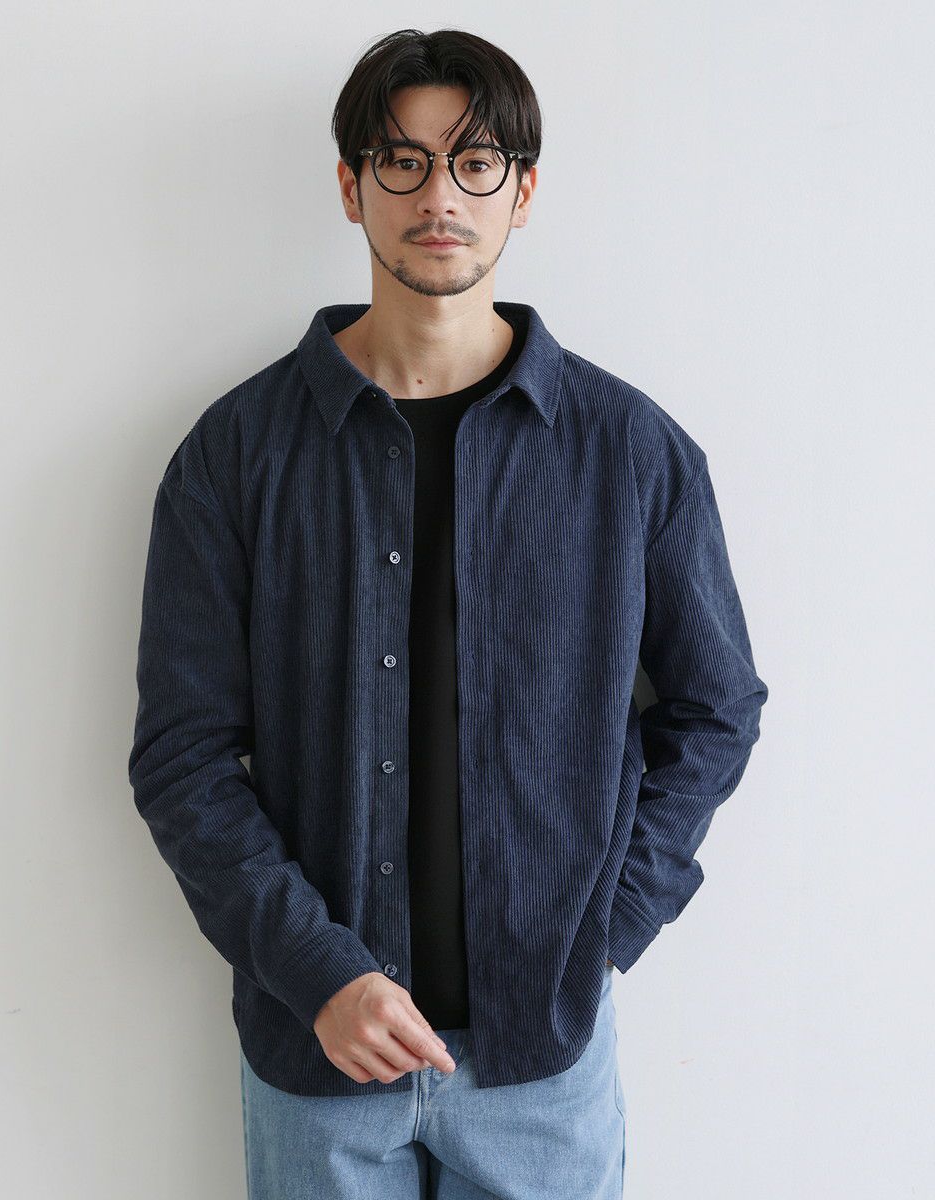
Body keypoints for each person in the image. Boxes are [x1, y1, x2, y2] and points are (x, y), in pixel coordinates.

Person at [128, 27, 768, 1200]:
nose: (439, 197)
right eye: (404, 161)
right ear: (351, 186)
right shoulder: (236, 453)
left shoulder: (629, 451)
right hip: (316, 1059)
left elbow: (717, 705)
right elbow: (184, 759)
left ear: (521, 192)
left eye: (475, 163)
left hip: (543, 1063)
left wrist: (611, 925)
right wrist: (319, 972)